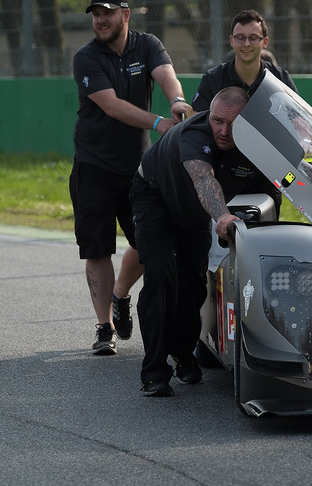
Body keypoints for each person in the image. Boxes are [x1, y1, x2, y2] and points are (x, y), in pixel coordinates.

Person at [129, 87, 281, 397]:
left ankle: (183, 352)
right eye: (217, 121)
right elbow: (204, 180)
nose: (223, 131)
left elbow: (281, 184)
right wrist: (223, 216)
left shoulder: (257, 143)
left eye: (233, 123)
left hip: (192, 212)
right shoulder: (195, 134)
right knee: (161, 276)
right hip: (155, 196)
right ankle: (154, 370)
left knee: (194, 284)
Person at [71, 0, 192, 356]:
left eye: (107, 12)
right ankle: (104, 327)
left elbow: (166, 74)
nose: (100, 20)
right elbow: (111, 106)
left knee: (147, 242)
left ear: (126, 15)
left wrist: (177, 101)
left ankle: (121, 293)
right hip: (93, 165)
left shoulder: (147, 44)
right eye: (95, 14)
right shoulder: (86, 57)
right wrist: (159, 123)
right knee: (97, 248)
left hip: (139, 168)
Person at [191, 10, 297, 111]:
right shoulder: (212, 79)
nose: (246, 44)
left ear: (265, 42)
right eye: (240, 37)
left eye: (253, 38)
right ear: (231, 41)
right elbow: (197, 120)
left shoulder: (281, 78)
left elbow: (295, 120)